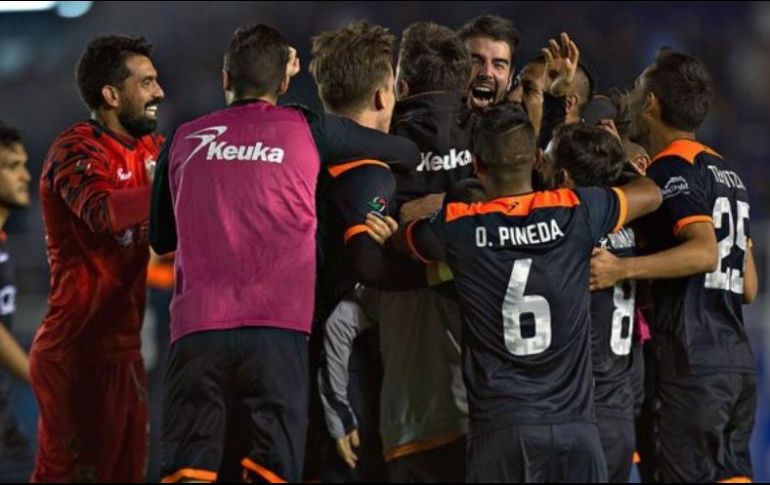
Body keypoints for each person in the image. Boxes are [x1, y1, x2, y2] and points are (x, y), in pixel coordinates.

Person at [150, 23, 420, 483]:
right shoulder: (306, 127)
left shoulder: (184, 137)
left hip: (198, 332)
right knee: (272, 469)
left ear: (225, 79)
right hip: (278, 335)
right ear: (285, 79)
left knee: (189, 470)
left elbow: (161, 239)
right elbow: (404, 151)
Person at [368, 103, 662, 482]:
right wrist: (614, 149)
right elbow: (651, 193)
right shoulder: (576, 210)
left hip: (504, 432)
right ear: (538, 159)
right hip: (576, 428)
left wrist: (392, 233)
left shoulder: (461, 227)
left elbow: (406, 241)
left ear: (478, 165)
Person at [590, 48, 758, 483]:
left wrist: (622, 269)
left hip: (690, 365)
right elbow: (749, 286)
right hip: (737, 366)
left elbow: (705, 252)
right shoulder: (727, 174)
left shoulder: (670, 169)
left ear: (651, 104)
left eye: (640, 88)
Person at [30, 34, 164, 483]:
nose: (158, 93)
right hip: (76, 354)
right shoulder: (74, 150)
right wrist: (176, 189)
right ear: (111, 95)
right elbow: (105, 212)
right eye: (146, 83)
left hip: (126, 354)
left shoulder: (154, 151)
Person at [0, 122, 34, 482]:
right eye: (11, 166)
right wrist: (42, 380)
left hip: (5, 417)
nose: (25, 175)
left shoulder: (4, 238)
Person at [458, 15, 519, 111]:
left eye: (498, 65)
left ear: (510, 78)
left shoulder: (522, 125)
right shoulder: (430, 122)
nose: (487, 73)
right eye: (475, 62)